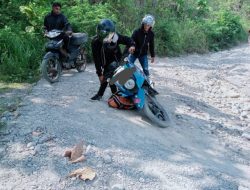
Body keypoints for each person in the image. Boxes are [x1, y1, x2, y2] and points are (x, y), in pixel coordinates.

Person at [91, 19, 135, 101]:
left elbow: (127, 39)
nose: (111, 37)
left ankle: (102, 94)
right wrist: (99, 74)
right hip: (105, 62)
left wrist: (132, 45)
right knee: (108, 77)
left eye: (112, 34)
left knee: (109, 75)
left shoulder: (115, 37)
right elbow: (96, 59)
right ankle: (114, 94)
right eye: (109, 35)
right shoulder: (95, 42)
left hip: (116, 59)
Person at [129, 14, 155, 80]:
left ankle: (147, 83)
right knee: (127, 66)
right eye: (145, 24)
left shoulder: (151, 34)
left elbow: (152, 45)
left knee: (145, 69)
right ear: (143, 23)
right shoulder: (137, 31)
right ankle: (122, 80)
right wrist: (132, 46)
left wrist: (152, 55)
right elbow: (131, 39)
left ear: (151, 26)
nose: (146, 26)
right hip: (134, 53)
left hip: (143, 54)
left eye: (148, 25)